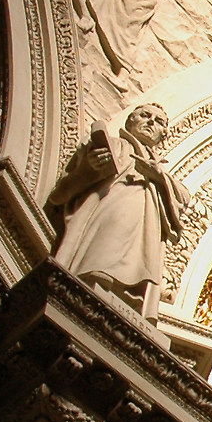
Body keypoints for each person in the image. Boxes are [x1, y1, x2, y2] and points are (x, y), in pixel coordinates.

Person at [47, 104, 180, 318]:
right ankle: (95, 276)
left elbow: (182, 199)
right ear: (130, 121)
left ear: (162, 136)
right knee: (107, 247)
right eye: (144, 115)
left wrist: (158, 177)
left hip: (144, 228)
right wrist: (91, 168)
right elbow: (62, 192)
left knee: (137, 258)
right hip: (111, 211)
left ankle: (128, 293)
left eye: (159, 121)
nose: (151, 122)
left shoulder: (160, 170)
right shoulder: (117, 146)